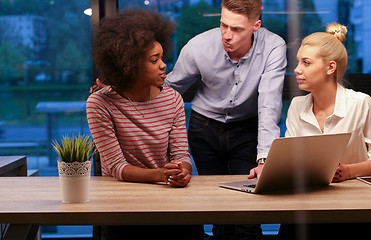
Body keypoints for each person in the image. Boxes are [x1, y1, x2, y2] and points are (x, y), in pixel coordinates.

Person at [164, 0, 287, 239]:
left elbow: (269, 104)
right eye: (223, 25)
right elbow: (170, 88)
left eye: (237, 29)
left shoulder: (273, 46)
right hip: (204, 128)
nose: (227, 35)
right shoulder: (198, 46)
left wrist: (265, 160)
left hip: (247, 129)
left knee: (247, 213)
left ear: (256, 26)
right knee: (219, 212)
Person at [86, 9, 203, 239]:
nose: (163, 66)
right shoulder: (100, 103)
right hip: (121, 205)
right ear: (129, 63)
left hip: (168, 198)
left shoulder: (172, 99)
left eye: (162, 57)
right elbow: (117, 167)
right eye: (154, 60)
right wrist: (161, 175)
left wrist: (182, 172)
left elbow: (181, 154)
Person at [276, 23, 371, 240]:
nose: (297, 70)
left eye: (306, 63)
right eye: (298, 62)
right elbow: (290, 157)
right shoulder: (296, 106)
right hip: (309, 204)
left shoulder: (360, 103)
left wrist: (348, 171)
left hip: (356, 207)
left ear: (330, 68)